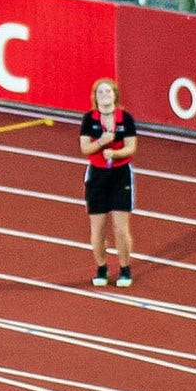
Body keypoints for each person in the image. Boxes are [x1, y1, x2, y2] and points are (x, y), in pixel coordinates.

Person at [79, 78, 137, 289]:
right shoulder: (89, 119)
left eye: (108, 92)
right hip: (97, 176)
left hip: (120, 175)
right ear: (95, 97)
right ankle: (102, 268)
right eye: (100, 92)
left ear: (115, 95)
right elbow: (85, 148)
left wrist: (115, 152)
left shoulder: (125, 118)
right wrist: (102, 142)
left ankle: (125, 268)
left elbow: (131, 147)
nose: (104, 95)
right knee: (98, 228)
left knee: (121, 228)